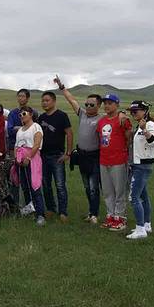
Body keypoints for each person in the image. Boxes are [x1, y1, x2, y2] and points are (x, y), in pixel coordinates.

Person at [54, 75, 103, 224]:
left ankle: (94, 214)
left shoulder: (102, 119)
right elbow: (72, 101)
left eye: (91, 105)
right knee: (87, 186)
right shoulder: (82, 114)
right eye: (86, 104)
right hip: (82, 156)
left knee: (94, 187)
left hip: (95, 157)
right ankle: (91, 212)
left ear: (98, 106)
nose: (87, 107)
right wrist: (62, 87)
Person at [125, 101, 154, 240]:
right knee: (143, 196)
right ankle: (146, 225)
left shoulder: (150, 125)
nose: (133, 114)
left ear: (145, 111)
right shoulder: (140, 124)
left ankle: (140, 229)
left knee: (134, 197)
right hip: (138, 164)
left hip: (142, 166)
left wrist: (145, 130)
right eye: (131, 112)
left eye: (135, 111)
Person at [96, 93, 133, 231]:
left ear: (117, 105)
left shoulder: (123, 120)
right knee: (107, 191)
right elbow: (100, 138)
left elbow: (128, 138)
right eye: (105, 103)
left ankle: (120, 218)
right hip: (103, 160)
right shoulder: (101, 121)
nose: (106, 106)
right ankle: (110, 216)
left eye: (110, 103)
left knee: (120, 191)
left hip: (118, 160)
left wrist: (122, 151)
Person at [38, 91, 73, 222]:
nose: (44, 103)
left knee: (60, 185)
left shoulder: (62, 116)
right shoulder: (41, 117)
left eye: (47, 100)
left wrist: (68, 153)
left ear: (54, 101)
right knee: (45, 184)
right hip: (43, 156)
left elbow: (69, 133)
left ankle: (63, 211)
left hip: (57, 156)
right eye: (43, 101)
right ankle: (51, 208)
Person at [12, 106, 46, 226]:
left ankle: (40, 214)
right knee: (25, 186)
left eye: (24, 114)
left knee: (34, 187)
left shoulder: (36, 127)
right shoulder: (20, 130)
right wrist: (17, 157)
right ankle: (30, 210)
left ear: (31, 114)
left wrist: (29, 157)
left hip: (32, 158)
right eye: (20, 115)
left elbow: (36, 144)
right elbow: (16, 145)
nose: (22, 116)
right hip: (20, 159)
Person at [7, 88, 39, 206]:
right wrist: (23, 128)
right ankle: (16, 204)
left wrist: (19, 128)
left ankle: (33, 204)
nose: (20, 98)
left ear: (27, 98)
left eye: (23, 96)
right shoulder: (13, 113)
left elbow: (35, 129)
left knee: (31, 177)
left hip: (31, 150)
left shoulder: (33, 112)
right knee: (15, 176)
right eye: (19, 96)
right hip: (15, 149)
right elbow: (10, 130)